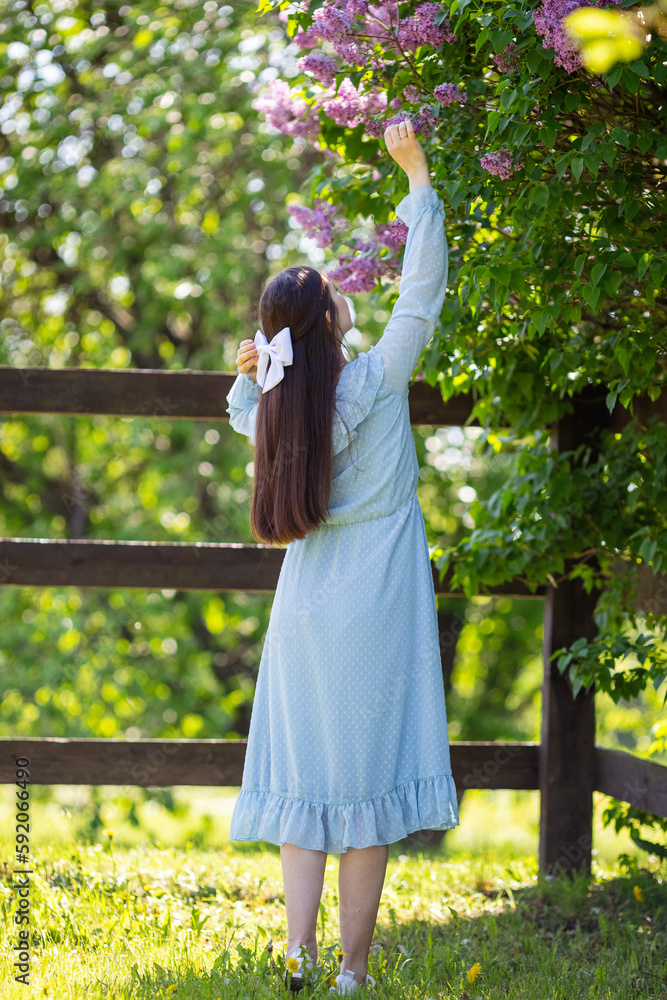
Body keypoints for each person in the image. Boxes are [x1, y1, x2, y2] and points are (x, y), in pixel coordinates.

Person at [225, 117, 460, 996]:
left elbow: (246, 409)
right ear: (331, 318)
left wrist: (252, 375)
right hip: (378, 600)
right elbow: (423, 292)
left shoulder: (277, 412)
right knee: (363, 796)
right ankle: (351, 973)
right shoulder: (373, 380)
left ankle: (296, 954)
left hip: (307, 605)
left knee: (308, 783)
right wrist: (416, 175)